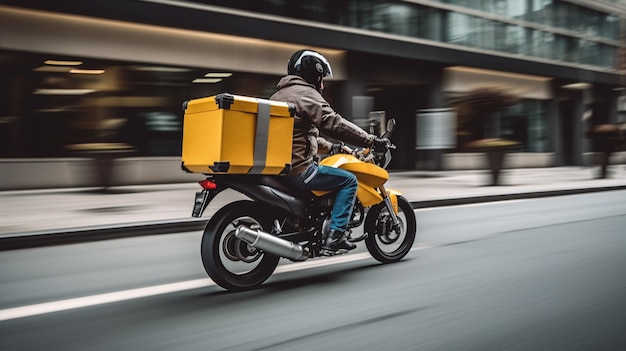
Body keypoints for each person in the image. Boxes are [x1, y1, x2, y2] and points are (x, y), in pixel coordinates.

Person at [270, 49, 388, 252]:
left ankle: (303, 225)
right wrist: (370, 140)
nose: (323, 84)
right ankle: (336, 236)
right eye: (321, 78)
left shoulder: (279, 95)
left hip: (279, 167)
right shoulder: (305, 94)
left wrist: (332, 147)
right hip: (298, 169)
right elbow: (332, 122)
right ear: (313, 75)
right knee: (349, 180)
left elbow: (299, 136)